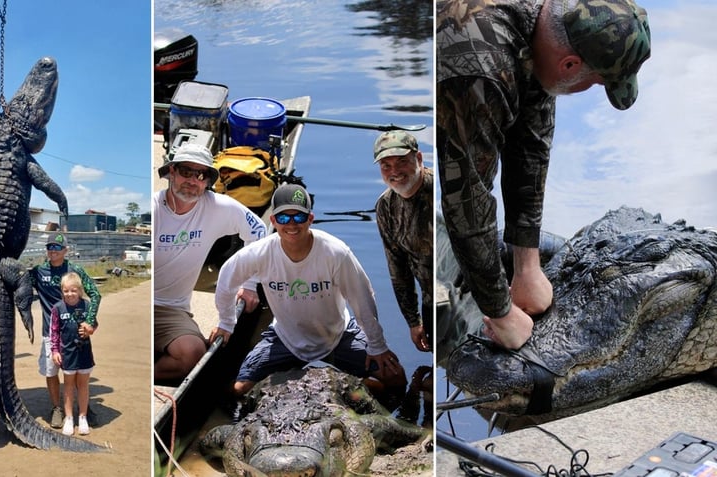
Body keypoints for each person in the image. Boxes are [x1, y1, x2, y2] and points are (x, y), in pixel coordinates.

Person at [436, 0, 651, 350]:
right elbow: (467, 198)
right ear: (569, 63)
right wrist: (500, 312)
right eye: (596, 82)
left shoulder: (547, 24)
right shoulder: (481, 71)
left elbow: (531, 146)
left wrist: (527, 266)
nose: (591, 88)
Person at [209, 184, 406, 396]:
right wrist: (226, 322)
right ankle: (299, 375)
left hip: (338, 335)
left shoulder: (336, 252)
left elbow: (363, 298)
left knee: (396, 379)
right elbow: (227, 279)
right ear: (273, 221)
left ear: (310, 219)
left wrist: (377, 345)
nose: (291, 224)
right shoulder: (260, 252)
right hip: (286, 338)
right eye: (284, 218)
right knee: (240, 390)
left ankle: (338, 383)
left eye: (299, 217)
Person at [154, 143, 266, 382]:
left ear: (207, 181)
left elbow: (259, 230)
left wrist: (250, 284)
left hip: (171, 308)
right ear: (171, 172)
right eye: (186, 172)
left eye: (201, 174)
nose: (193, 181)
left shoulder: (217, 206)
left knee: (193, 354)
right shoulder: (154, 208)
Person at [29, 232, 101, 429]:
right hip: (51, 331)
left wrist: (88, 322)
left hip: (75, 332)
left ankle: (83, 409)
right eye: (50, 247)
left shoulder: (74, 270)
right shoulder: (38, 271)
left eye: (57, 248)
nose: (53, 251)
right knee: (51, 371)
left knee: (78, 372)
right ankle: (57, 408)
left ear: (65, 250)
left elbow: (95, 294)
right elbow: (22, 285)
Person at [372, 130, 434, 353]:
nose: (394, 172)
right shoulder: (386, 206)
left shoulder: (440, 192)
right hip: (432, 303)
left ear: (418, 159)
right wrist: (413, 321)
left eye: (402, 162)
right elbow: (398, 269)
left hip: (465, 296)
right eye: (386, 166)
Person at [50, 272, 98, 436]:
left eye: (73, 290)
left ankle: (82, 416)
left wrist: (90, 329)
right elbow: (54, 332)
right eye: (66, 291)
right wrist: (55, 350)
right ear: (62, 291)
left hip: (84, 351)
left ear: (80, 290)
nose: (70, 294)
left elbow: (94, 324)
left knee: (83, 385)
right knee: (69, 385)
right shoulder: (57, 308)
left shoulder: (87, 306)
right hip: (67, 352)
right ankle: (69, 418)